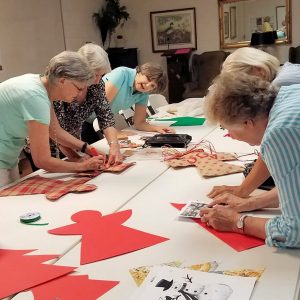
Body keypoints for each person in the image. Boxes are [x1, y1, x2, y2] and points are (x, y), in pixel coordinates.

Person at [201, 72, 300, 248]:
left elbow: (295, 232)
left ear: (247, 122)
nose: (229, 135)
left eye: (227, 128)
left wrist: (236, 221)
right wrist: (252, 202)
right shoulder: (290, 93)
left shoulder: (280, 133)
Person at [0, 51, 105, 188]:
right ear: (63, 80)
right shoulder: (35, 97)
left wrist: (87, 148)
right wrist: (82, 166)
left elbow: (55, 131)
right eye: (79, 88)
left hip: (7, 158)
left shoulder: (39, 87)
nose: (79, 94)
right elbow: (42, 160)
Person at [207, 47, 280, 201]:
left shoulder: (284, 86)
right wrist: (243, 191)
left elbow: (274, 144)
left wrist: (244, 199)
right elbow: (272, 148)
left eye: (243, 82)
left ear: (260, 72)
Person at [46, 43, 122, 166]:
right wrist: (78, 159)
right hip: (46, 144)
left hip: (73, 143)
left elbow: (106, 117)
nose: (98, 80)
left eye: (101, 75)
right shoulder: (63, 86)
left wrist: (114, 146)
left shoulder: (97, 85)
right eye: (95, 74)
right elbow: (55, 132)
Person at [103, 63, 175, 133]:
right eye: (148, 79)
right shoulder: (122, 74)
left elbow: (139, 123)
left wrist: (157, 128)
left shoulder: (144, 94)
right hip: (96, 116)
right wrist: (115, 133)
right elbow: (101, 106)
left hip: (102, 122)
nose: (147, 86)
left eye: (152, 86)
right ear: (141, 71)